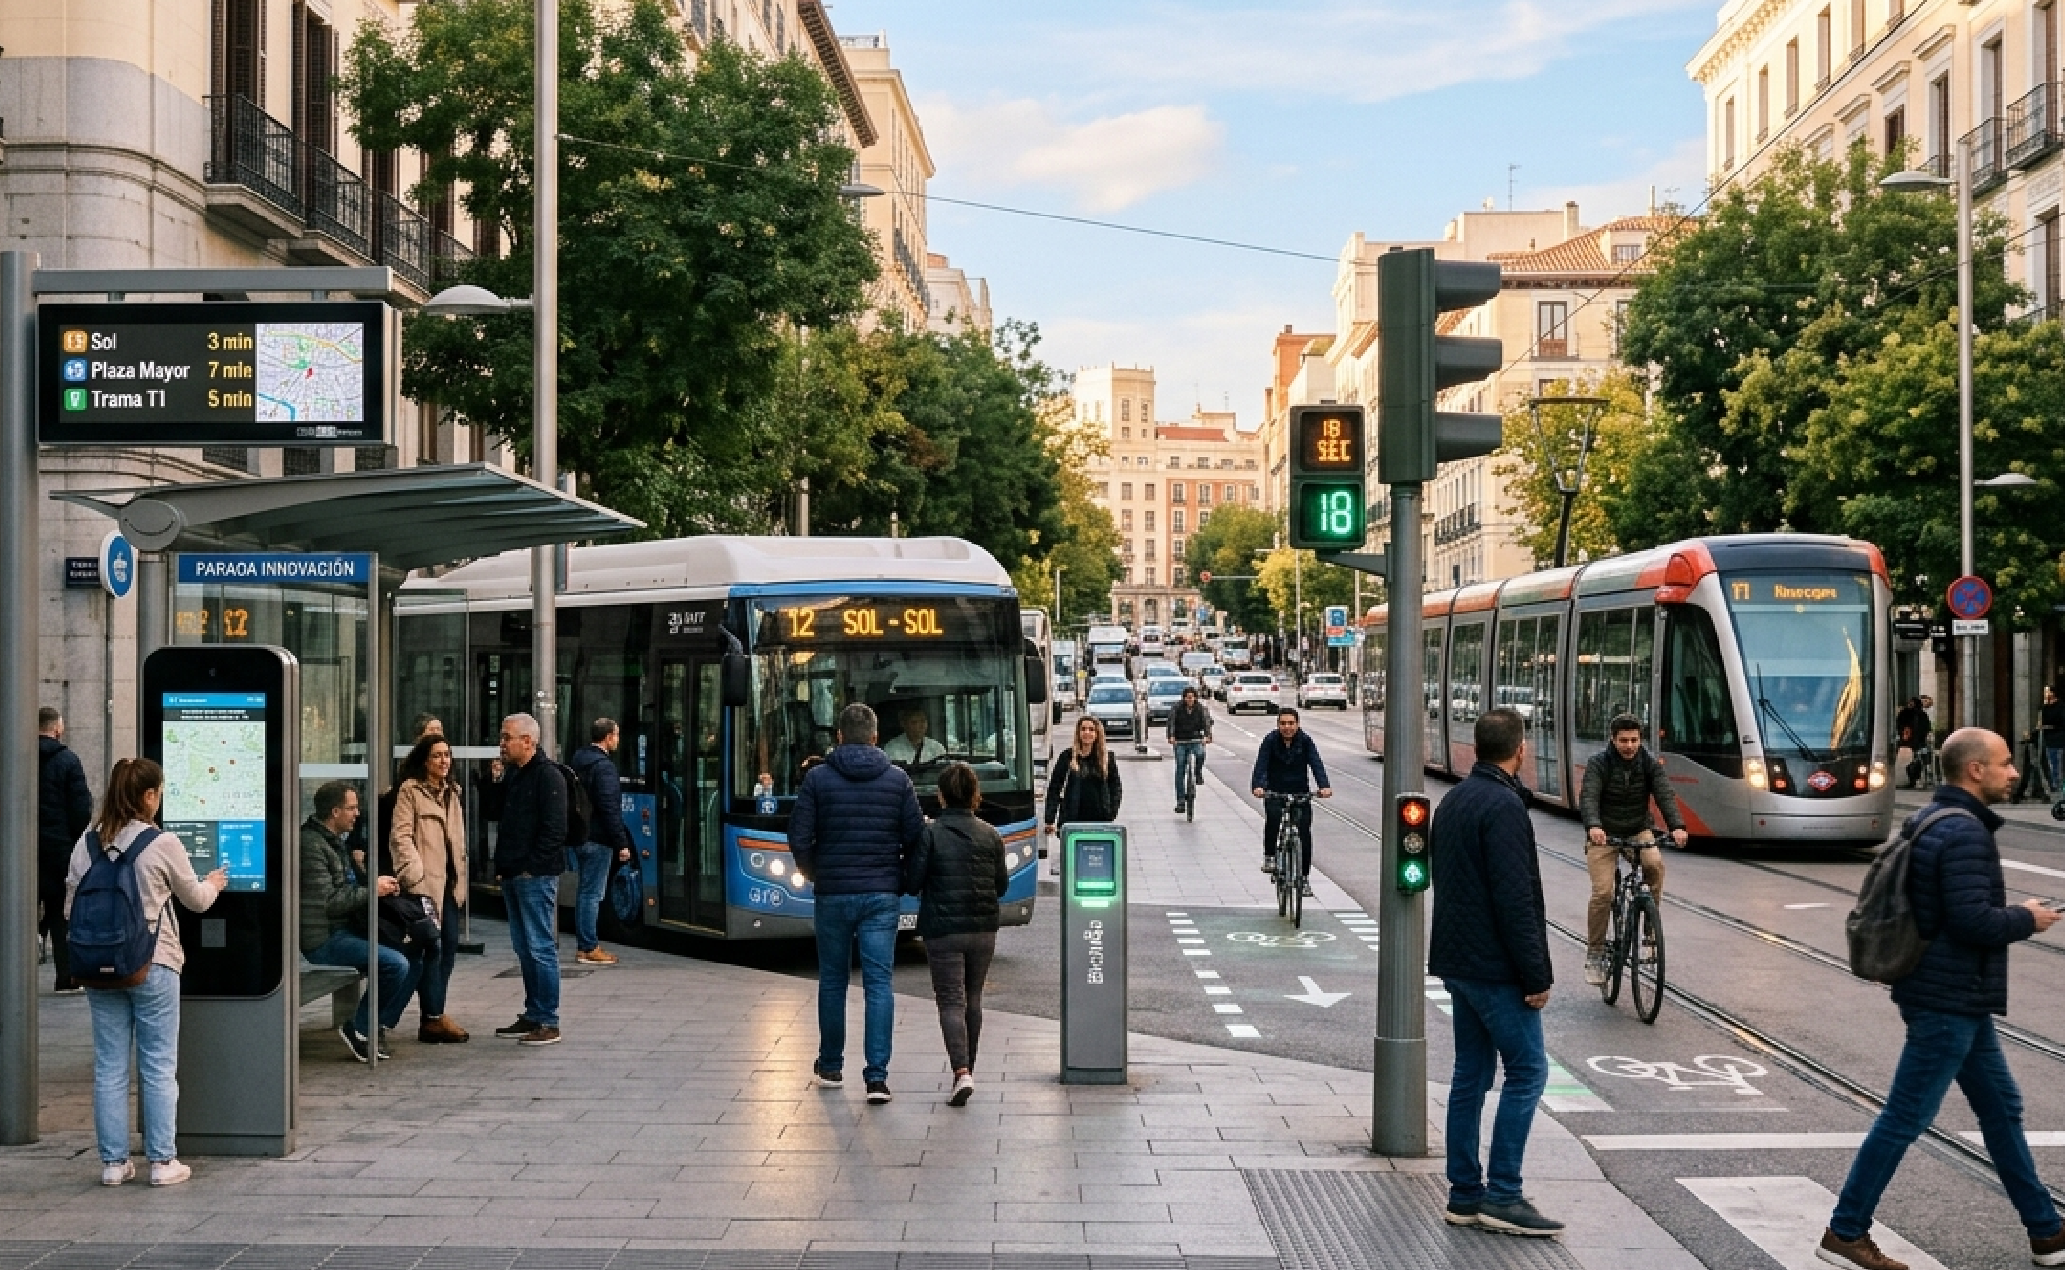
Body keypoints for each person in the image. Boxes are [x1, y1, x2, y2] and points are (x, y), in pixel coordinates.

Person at [1818, 728, 2065, 1270]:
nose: (2014, 772)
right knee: (1906, 1115)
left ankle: (2047, 1232)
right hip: (1947, 998)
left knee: (2002, 1109)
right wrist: (2029, 917)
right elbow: (1972, 920)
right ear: (1975, 770)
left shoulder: (1931, 819)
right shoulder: (1965, 834)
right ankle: (1846, 1229)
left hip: (1956, 997)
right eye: (2004, 764)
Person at [1426, 707, 1562, 1238]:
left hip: (1459, 961)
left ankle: (1464, 1194)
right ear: (1520, 750)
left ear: (1474, 747)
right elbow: (1515, 899)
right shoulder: (1504, 806)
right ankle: (1503, 1193)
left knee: (1472, 1075)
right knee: (1528, 1071)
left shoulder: (1456, 799)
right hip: (1494, 967)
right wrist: (1535, 976)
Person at [67, 757, 225, 1188]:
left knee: (110, 1065)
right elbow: (196, 900)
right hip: (153, 964)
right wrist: (214, 882)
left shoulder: (86, 844)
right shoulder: (162, 842)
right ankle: (162, 1161)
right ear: (149, 795)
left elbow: (70, 907)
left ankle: (113, 1164)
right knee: (157, 1064)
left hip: (99, 968)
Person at [791, 703, 924, 1104]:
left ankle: (831, 1066)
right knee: (878, 983)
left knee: (833, 980)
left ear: (839, 736)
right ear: (875, 735)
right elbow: (916, 837)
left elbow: (799, 836)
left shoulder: (817, 779)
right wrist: (901, 879)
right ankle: (877, 1078)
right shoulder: (898, 780)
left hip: (832, 893)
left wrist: (815, 871)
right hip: (881, 895)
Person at [904, 761, 1009, 1107]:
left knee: (951, 1000)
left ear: (942, 795)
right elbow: (1001, 885)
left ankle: (961, 1071)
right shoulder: (991, 834)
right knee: (973, 998)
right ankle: (967, 1071)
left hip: (943, 929)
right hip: (983, 928)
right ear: (975, 794)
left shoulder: (930, 834)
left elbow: (913, 881)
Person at [301, 780, 421, 1062]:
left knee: (416, 953)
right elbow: (330, 902)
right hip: (325, 937)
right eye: (352, 808)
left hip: (346, 929)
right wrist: (372, 891)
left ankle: (374, 1025)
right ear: (334, 811)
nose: (357, 814)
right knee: (394, 963)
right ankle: (360, 1028)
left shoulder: (334, 842)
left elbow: (347, 889)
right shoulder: (311, 846)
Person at [1579, 714, 1687, 986]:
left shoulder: (1649, 764)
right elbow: (1589, 796)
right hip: (1604, 833)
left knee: (1654, 865)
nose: (1629, 746)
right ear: (1613, 740)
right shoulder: (1598, 764)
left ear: (1641, 740)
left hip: (1637, 829)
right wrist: (1593, 825)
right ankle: (1595, 953)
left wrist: (1677, 826)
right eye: (1624, 741)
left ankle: (1650, 923)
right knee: (1603, 892)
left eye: (1634, 740)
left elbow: (1664, 794)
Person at [489, 713, 568, 1047]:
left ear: (528, 742)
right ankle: (534, 1013)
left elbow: (554, 830)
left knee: (540, 946)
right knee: (525, 947)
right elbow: (499, 817)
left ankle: (548, 1019)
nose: (502, 743)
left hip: (533, 875)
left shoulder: (548, 776)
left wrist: (530, 867)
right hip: (513, 873)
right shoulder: (515, 775)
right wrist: (493, 782)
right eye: (502, 737)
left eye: (508, 737)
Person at [388, 734, 469, 1044]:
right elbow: (401, 837)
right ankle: (430, 1018)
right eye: (437, 756)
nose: (444, 761)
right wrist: (414, 875)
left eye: (447, 755)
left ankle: (433, 1015)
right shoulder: (411, 792)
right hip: (424, 886)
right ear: (425, 760)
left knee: (447, 949)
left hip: (449, 886)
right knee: (429, 949)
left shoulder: (452, 793)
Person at [568, 718, 632, 967]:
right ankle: (588, 946)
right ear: (608, 737)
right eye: (616, 735)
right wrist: (621, 842)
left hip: (580, 835)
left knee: (585, 891)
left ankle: (585, 944)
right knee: (592, 893)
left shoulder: (579, 760)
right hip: (598, 838)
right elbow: (609, 808)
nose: (617, 739)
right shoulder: (603, 767)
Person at [39, 707, 94, 995]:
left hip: (21, 852)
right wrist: (72, 839)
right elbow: (81, 810)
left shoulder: (14, 758)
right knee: (61, 913)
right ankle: (67, 977)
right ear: (58, 729)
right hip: (59, 849)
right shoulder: (69, 761)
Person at [1249, 708, 1332, 894]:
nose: (1287, 727)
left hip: (1299, 791)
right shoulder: (1270, 741)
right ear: (1278, 725)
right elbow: (1261, 764)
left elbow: (1316, 763)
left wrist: (1324, 786)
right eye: (1283, 723)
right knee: (1273, 819)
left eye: (1291, 723)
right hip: (1275, 791)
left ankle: (1303, 878)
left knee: (1304, 832)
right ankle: (1270, 856)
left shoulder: (1306, 741)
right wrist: (1258, 786)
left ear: (1297, 724)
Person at [1044, 715, 1124, 833]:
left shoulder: (1107, 758)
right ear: (1078, 732)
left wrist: (1111, 812)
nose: (1087, 732)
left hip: (1100, 821)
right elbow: (1055, 788)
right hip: (1072, 821)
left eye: (1091, 729)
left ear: (1097, 734)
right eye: (1083, 729)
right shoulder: (1067, 756)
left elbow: (1115, 787)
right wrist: (1050, 819)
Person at [1167, 686, 1213, 814]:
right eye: (1187, 698)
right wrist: (1171, 736)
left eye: (1192, 698)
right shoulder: (1177, 708)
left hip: (1195, 739)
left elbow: (1206, 722)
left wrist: (1207, 736)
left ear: (1195, 698)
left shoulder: (1201, 709)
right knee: (1180, 769)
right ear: (1184, 698)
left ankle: (1198, 773)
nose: (1190, 700)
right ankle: (1181, 801)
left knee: (1201, 753)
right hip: (1180, 740)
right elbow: (1171, 722)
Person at [883, 705, 947, 768]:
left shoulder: (937, 747)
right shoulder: (892, 748)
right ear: (903, 724)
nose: (920, 726)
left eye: (923, 721)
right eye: (914, 722)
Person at [1897, 695, 1935, 789]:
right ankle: (1913, 779)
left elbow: (1925, 728)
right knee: (1911, 761)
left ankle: (1914, 779)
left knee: (1915, 761)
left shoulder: (1918, 714)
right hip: (1911, 742)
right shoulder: (1910, 713)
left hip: (1914, 742)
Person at [2042, 685, 2065, 795]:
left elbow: (2061, 722)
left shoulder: (2060, 706)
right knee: (2050, 763)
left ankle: (2059, 785)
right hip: (2048, 738)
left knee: (2058, 763)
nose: (2046, 694)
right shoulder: (2045, 707)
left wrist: (2051, 726)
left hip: (2058, 738)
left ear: (2053, 693)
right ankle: (2053, 785)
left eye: (2047, 691)